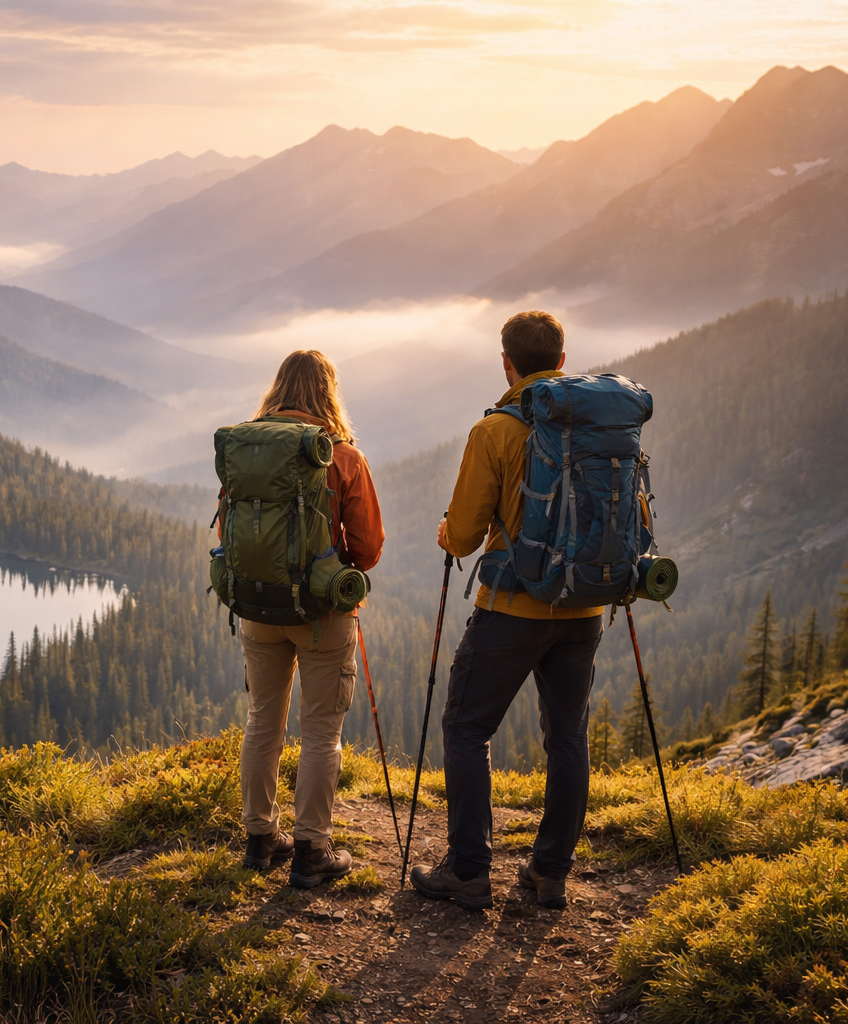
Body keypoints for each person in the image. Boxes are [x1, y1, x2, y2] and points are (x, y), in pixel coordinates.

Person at [409, 311, 604, 911]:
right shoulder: (594, 426)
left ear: (506, 362)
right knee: (567, 735)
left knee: (467, 728)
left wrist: (447, 531)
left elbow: (465, 535)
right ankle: (551, 873)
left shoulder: (495, 430)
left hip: (514, 607)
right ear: (563, 362)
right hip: (583, 604)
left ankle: (468, 870)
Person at [235, 350, 384, 889]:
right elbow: (367, 550)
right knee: (321, 730)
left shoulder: (249, 451)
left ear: (278, 388)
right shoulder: (341, 457)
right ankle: (311, 851)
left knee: (262, 721)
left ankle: (259, 840)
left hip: (257, 607)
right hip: (322, 613)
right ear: (328, 393)